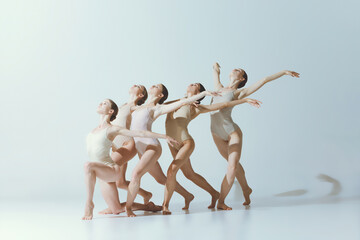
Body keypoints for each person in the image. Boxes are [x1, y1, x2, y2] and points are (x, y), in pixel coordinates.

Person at [162, 83, 262, 214]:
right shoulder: (177, 102)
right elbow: (161, 107)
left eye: (195, 85)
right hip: (172, 143)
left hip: (185, 143)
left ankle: (165, 205)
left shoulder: (195, 107)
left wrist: (245, 100)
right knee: (189, 174)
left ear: (199, 92)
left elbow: (223, 105)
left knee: (172, 170)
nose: (191, 84)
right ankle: (214, 193)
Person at [211, 62, 300, 210]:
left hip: (232, 133)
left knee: (232, 167)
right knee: (235, 165)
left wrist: (284, 72)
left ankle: (221, 201)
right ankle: (246, 189)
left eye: (239, 70)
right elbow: (215, 72)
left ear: (242, 79)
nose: (235, 68)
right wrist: (215, 67)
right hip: (216, 134)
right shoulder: (218, 88)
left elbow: (264, 80)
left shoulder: (239, 93)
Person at [126, 84, 217, 217]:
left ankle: (128, 208)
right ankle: (187, 195)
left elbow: (184, 101)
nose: (153, 85)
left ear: (161, 95)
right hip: (140, 147)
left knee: (135, 175)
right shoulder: (138, 107)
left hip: (151, 146)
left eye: (157, 86)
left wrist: (204, 94)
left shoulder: (158, 108)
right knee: (161, 179)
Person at [82, 99, 179, 220]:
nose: (101, 103)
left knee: (87, 166)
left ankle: (89, 204)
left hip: (111, 170)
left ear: (111, 111)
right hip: (101, 173)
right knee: (116, 209)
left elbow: (139, 133)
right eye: (101, 102)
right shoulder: (94, 130)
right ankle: (148, 207)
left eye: (105, 103)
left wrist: (164, 136)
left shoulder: (112, 129)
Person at [99, 85, 153, 215]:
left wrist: (184, 100)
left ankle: (114, 206)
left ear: (140, 95)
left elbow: (153, 106)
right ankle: (146, 195)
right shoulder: (123, 105)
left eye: (139, 87)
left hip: (127, 145)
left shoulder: (135, 107)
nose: (135, 85)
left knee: (105, 169)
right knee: (120, 183)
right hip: (116, 147)